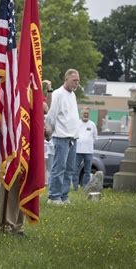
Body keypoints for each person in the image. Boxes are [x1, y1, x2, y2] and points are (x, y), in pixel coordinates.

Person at [46, 69, 81, 205]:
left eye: (78, 81)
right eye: (74, 80)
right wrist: (50, 133)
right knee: (59, 168)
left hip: (73, 138)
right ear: (66, 79)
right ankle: (54, 196)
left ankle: (64, 196)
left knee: (69, 169)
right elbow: (51, 116)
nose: (76, 83)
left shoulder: (73, 95)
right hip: (61, 137)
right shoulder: (58, 94)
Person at [73, 108, 98, 191]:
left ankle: (85, 188)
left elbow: (95, 138)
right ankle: (75, 188)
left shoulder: (92, 124)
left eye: (87, 113)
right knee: (75, 171)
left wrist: (88, 144)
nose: (86, 115)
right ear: (81, 114)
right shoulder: (77, 123)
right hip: (77, 151)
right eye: (84, 113)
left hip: (88, 152)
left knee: (87, 171)